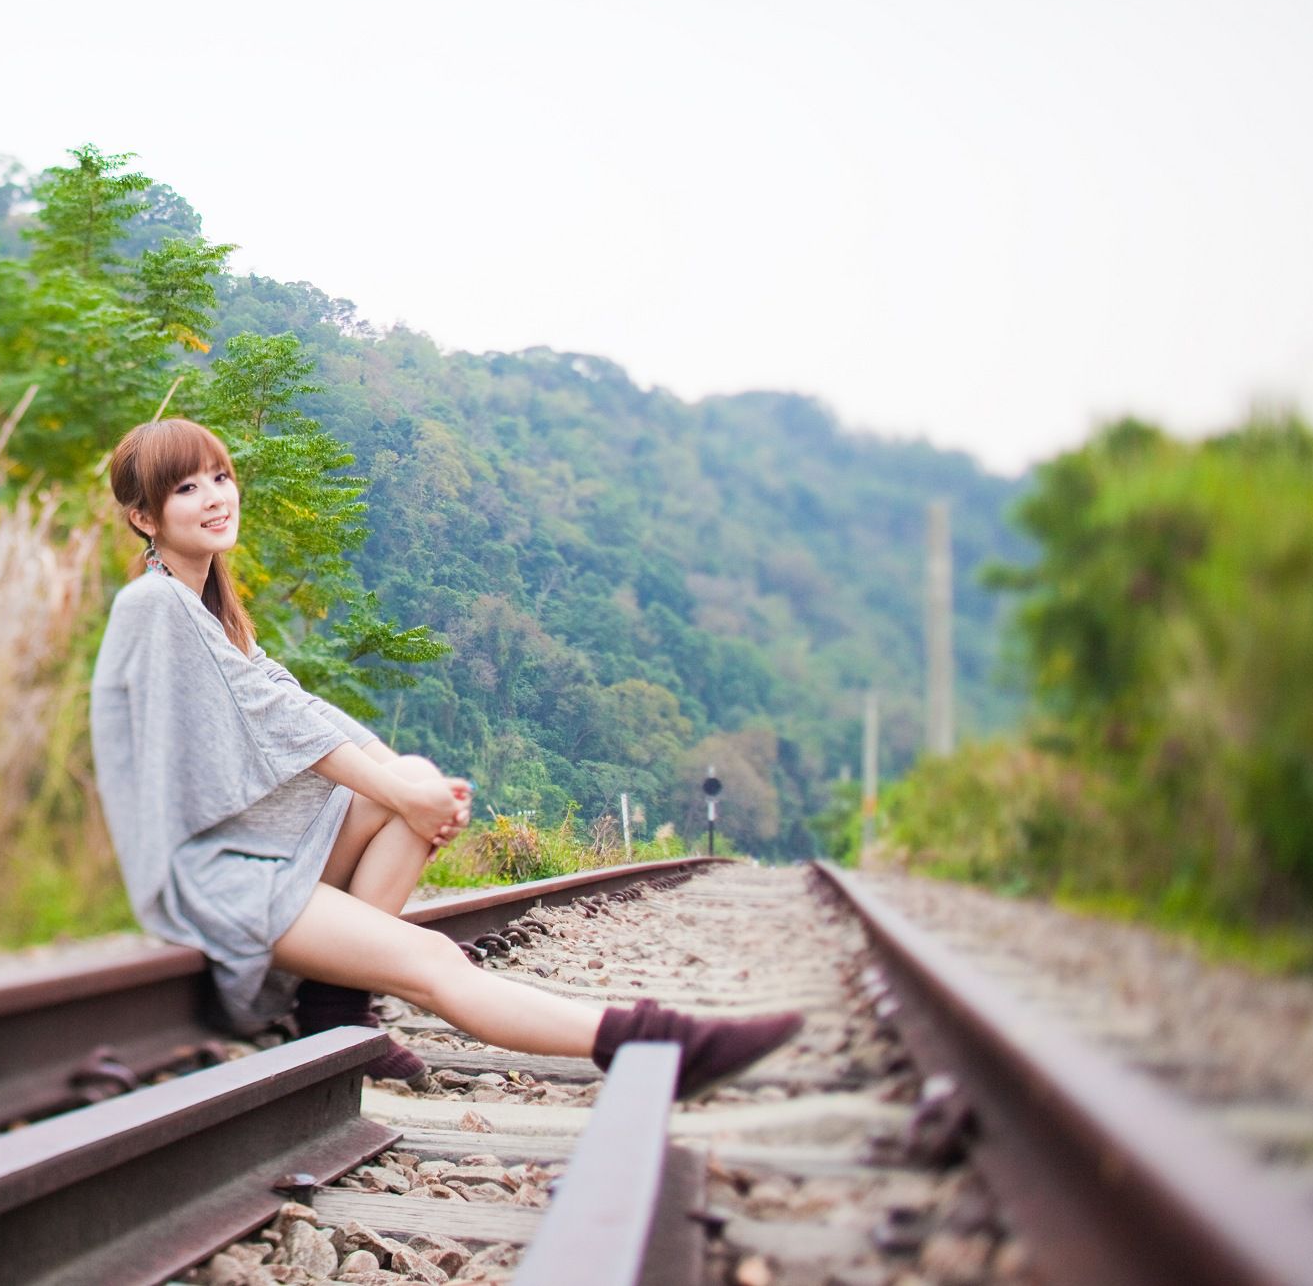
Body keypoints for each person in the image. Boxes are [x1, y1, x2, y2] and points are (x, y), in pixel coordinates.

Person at [90, 418, 801, 1098]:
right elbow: (273, 723)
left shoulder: (209, 608)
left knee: (417, 775)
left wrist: (407, 787)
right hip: (213, 875)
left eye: (220, 475)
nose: (215, 496)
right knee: (431, 959)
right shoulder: (155, 606)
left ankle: (335, 1001)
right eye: (186, 488)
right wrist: (401, 800)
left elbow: (298, 707)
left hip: (242, 854)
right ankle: (658, 1043)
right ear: (144, 517)